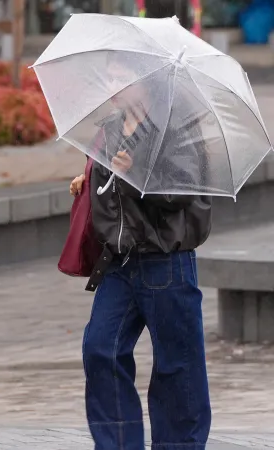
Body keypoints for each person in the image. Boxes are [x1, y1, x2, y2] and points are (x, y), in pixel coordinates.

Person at [69, 52, 213, 450]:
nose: (112, 82)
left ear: (146, 79)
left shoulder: (177, 126)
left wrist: (137, 173)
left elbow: (184, 190)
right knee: (101, 349)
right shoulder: (112, 127)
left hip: (166, 263)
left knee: (177, 366)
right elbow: (113, 183)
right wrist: (91, 178)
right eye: (109, 74)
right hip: (118, 263)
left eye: (122, 75)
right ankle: (117, 444)